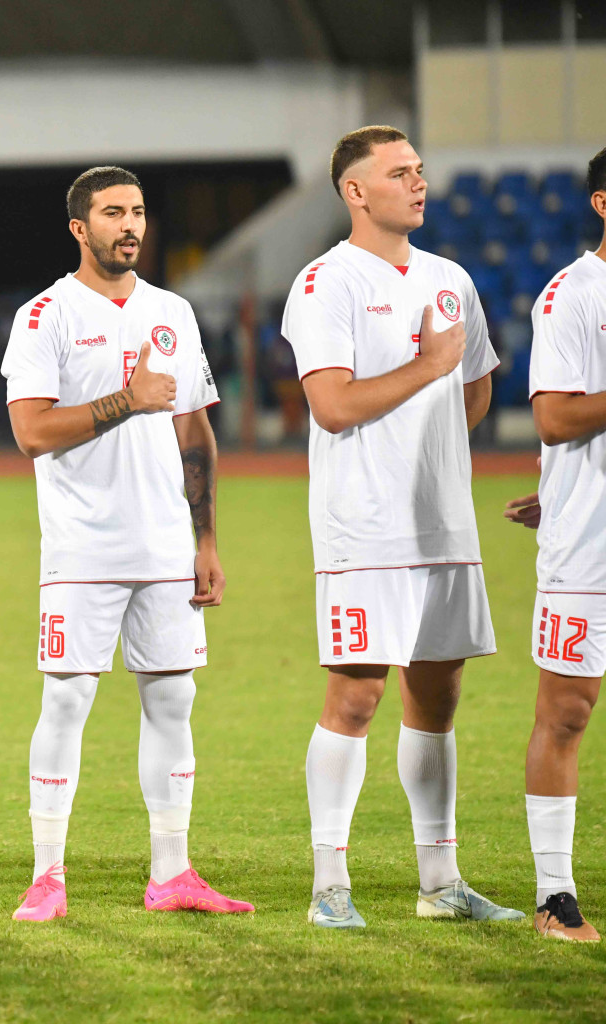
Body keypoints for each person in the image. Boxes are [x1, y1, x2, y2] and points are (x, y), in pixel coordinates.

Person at [281, 127, 521, 929]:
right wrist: (424, 369)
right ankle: (329, 888)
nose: (418, 183)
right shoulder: (324, 283)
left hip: (443, 522)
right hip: (365, 526)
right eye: (399, 173)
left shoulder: (450, 279)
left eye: (419, 170)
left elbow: (479, 388)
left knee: (438, 699)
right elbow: (333, 404)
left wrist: (435, 439)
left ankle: (441, 884)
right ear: (356, 192)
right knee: (356, 695)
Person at [0, 167, 252, 921]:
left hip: (167, 546)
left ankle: (172, 873)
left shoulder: (171, 311)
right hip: (82, 547)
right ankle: (48, 876)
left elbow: (193, 427)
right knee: (68, 699)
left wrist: (205, 537)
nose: (129, 225)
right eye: (113, 213)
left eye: (138, 211)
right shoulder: (45, 315)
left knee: (174, 700)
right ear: (80, 228)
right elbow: (31, 431)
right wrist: (124, 400)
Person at [500, 145, 606, 943]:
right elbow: (557, 417)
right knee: (567, 711)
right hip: (590, 548)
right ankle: (555, 894)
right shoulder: (573, 295)